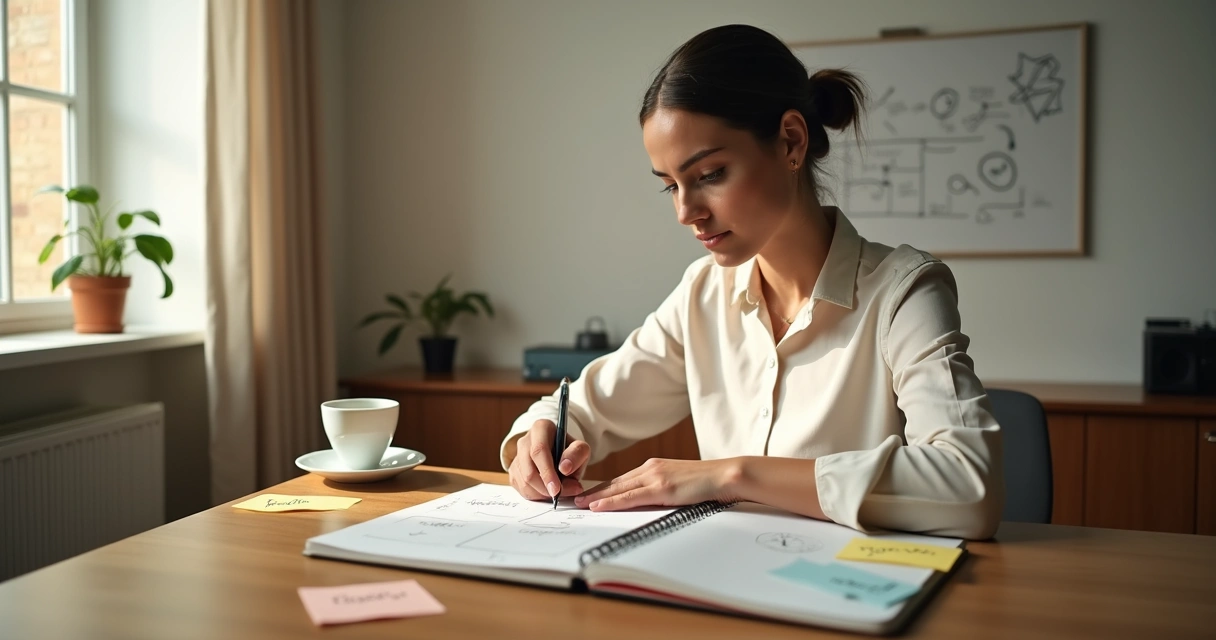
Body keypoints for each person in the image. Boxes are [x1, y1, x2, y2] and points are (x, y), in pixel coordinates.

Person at [500, 24, 1003, 539]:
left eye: (710, 174)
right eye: (670, 186)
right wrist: (536, 440)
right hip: (723, 590)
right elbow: (582, 408)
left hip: (850, 599)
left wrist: (729, 475)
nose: (685, 212)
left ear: (791, 141)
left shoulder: (904, 292)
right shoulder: (703, 294)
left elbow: (968, 486)